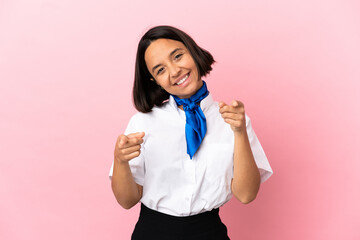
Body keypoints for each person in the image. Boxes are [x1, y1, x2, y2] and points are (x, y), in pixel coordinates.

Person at [109, 25, 273, 240]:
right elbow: (126, 201)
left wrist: (239, 132)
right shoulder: (142, 123)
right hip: (152, 232)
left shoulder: (233, 120)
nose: (175, 71)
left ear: (192, 52)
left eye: (177, 56)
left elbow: (246, 194)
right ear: (154, 80)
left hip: (209, 232)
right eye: (160, 70)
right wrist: (120, 160)